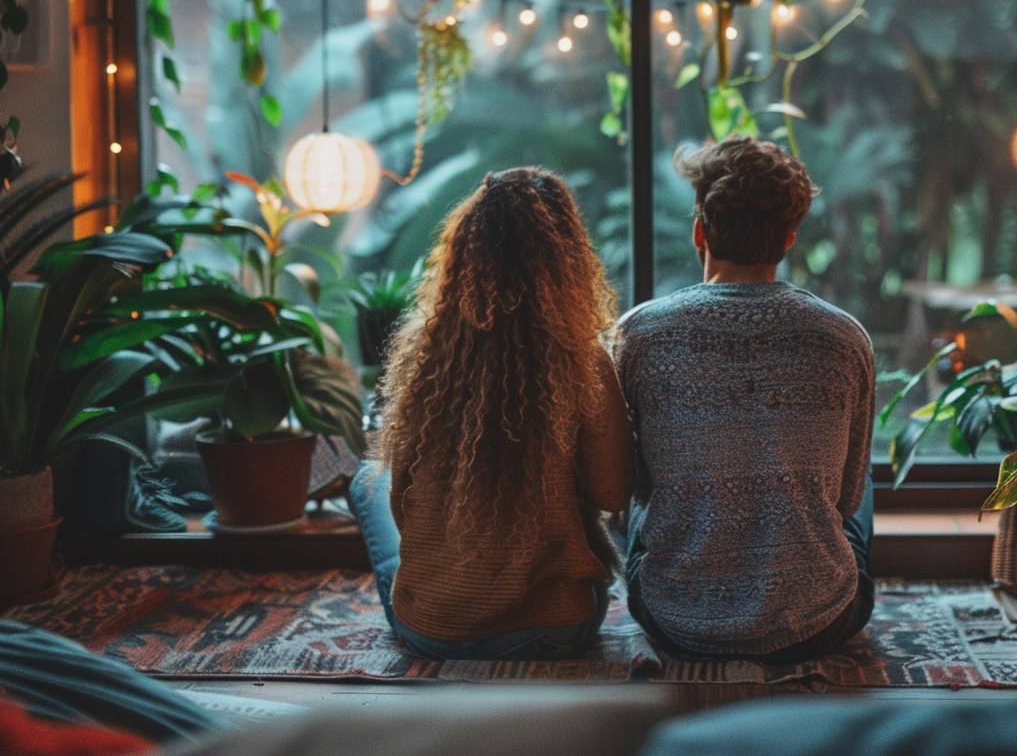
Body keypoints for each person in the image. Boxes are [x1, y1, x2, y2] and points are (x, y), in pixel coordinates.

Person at [349, 168, 633, 660]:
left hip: (435, 631)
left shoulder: (426, 353)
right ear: (567, 258)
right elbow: (612, 493)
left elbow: (401, 504)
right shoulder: (584, 362)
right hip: (557, 629)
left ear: (464, 254)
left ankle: (439, 596)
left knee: (367, 479)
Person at [615, 136, 876, 661]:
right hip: (819, 622)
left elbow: (634, 486)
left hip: (674, 619)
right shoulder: (845, 338)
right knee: (860, 478)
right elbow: (846, 500)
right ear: (789, 240)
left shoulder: (639, 333)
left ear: (700, 231)